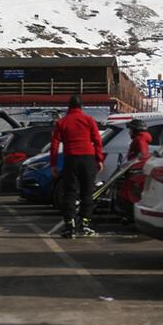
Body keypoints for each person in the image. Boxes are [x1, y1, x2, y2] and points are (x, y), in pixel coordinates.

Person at [51, 95, 104, 238]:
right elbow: (97, 140)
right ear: (81, 107)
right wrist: (99, 159)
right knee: (87, 192)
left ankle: (70, 225)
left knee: (69, 192)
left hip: (71, 159)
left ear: (69, 107)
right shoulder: (89, 120)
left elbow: (55, 144)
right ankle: (85, 224)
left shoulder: (62, 122)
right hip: (88, 158)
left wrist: (53, 163)